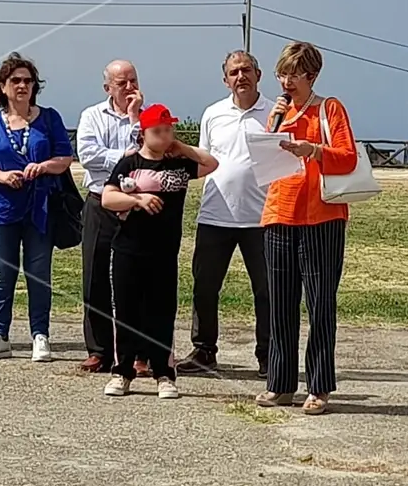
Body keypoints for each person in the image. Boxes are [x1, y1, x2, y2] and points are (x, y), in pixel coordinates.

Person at [256, 41, 360, 416]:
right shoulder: (278, 113)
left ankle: (319, 386)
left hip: (322, 216)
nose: (285, 81)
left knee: (319, 305)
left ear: (311, 76)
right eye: (281, 73)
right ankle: (280, 383)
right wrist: (277, 125)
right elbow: (267, 154)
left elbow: (347, 157)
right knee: (280, 303)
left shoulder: (328, 109)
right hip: (279, 213)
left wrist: (313, 150)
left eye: (293, 74)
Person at [99, 104, 218, 400]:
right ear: (144, 133)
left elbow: (211, 163)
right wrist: (138, 200)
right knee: (126, 310)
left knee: (162, 312)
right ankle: (122, 371)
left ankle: (164, 373)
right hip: (128, 249)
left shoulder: (178, 164)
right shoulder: (130, 164)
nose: (164, 136)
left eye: (168, 130)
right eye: (158, 131)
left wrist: (180, 146)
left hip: (164, 252)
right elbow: (107, 198)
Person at [0, 53, 75, 363]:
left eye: (28, 80)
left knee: (38, 272)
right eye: (15, 80)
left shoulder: (49, 118)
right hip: (0, 207)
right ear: (2, 87)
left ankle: (40, 335)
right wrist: (0, 175)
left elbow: (64, 158)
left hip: (39, 206)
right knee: (3, 273)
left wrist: (41, 167)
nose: (23, 85)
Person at [178, 51, 276, 377]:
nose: (241, 77)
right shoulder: (213, 114)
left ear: (258, 75)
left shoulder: (275, 112)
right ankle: (204, 351)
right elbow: (206, 160)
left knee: (266, 290)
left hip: (261, 218)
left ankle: (268, 355)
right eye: (234, 72)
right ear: (225, 80)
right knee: (204, 287)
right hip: (215, 216)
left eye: (246, 70)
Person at [75, 59, 145, 373]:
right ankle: (100, 350)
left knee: (139, 281)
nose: (130, 87)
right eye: (122, 83)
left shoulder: (149, 117)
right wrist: (127, 157)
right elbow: (88, 155)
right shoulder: (91, 116)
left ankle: (141, 353)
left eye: (133, 80)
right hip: (100, 202)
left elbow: (149, 155)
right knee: (95, 276)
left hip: (137, 205)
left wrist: (134, 120)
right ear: (108, 88)